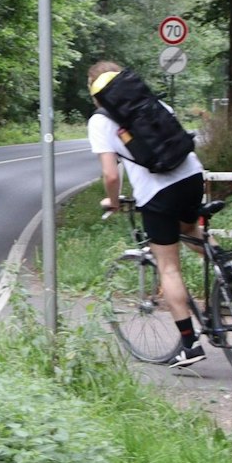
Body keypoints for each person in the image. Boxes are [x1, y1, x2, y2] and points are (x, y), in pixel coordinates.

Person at [86, 60, 208, 366]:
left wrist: (112, 202)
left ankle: (190, 345)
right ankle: (230, 279)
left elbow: (111, 176)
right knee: (191, 230)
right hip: (193, 176)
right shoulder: (154, 103)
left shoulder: (100, 122)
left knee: (168, 268)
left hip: (158, 194)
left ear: (96, 92)